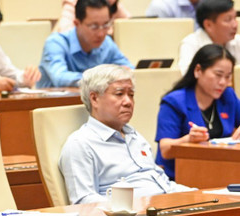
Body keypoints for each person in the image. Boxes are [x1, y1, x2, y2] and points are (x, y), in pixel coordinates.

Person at [59, 64, 192, 204]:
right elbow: (84, 201)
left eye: (131, 95)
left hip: (165, 206)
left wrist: (199, 195)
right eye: (119, 94)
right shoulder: (80, 144)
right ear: (94, 99)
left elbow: (165, 185)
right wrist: (131, 208)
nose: (128, 102)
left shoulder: (134, 136)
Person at [156, 44, 240, 180]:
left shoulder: (228, 96)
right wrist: (188, 140)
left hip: (220, 173)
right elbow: (165, 150)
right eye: (218, 75)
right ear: (198, 70)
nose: (223, 82)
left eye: (228, 77)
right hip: (178, 178)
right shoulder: (174, 102)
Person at [38, 0, 132, 88]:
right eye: (94, 26)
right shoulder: (56, 43)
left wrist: (126, 72)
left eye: (105, 25)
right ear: (77, 23)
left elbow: (129, 69)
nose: (101, 33)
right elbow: (60, 77)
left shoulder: (107, 43)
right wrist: (103, 78)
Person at [177, 0, 240, 75]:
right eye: (228, 20)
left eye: (235, 18)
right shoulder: (190, 44)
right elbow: (188, 79)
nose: (235, 25)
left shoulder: (238, 41)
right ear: (208, 25)